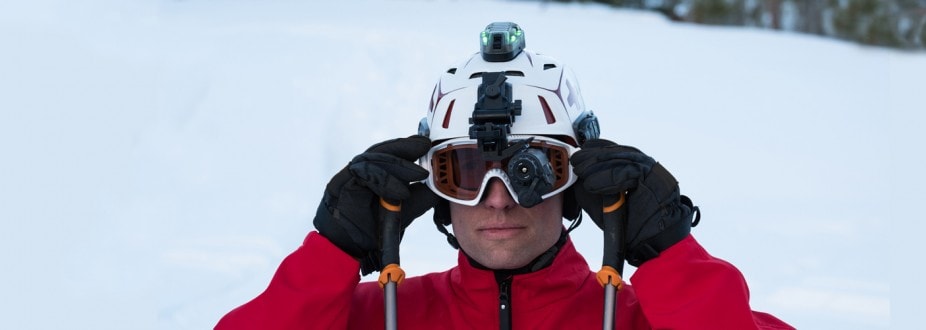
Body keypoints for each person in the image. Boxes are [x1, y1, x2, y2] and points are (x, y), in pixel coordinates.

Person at [216, 22, 793, 330]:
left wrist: (670, 254)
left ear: (576, 182)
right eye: (465, 170)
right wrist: (332, 253)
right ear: (435, 190)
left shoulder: (647, 320)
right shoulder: (376, 317)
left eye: (532, 170)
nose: (498, 200)